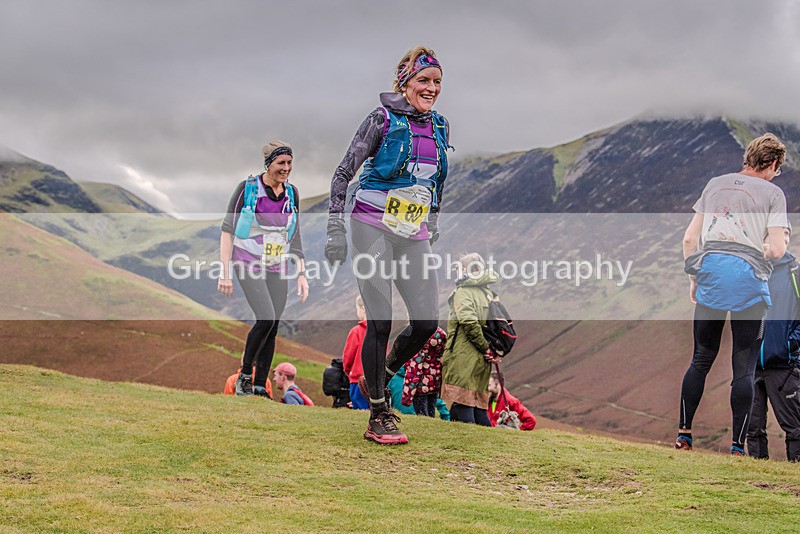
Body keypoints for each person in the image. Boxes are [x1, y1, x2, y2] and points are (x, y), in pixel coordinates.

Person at [324, 46, 451, 445]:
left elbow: (437, 181)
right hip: (371, 227)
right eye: (423, 81)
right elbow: (344, 172)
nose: (430, 89)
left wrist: (432, 220)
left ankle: (389, 367)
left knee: (427, 323)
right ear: (405, 83)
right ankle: (379, 412)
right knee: (380, 321)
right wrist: (334, 229)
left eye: (436, 83)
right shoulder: (381, 119)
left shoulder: (441, 126)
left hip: (411, 233)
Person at [679, 133, 788, 455]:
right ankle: (738, 446)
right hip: (748, 281)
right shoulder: (773, 192)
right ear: (771, 163)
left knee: (701, 358)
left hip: (711, 272)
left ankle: (684, 435)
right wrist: (767, 250)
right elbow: (779, 249)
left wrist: (694, 278)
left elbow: (689, 239)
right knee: (744, 365)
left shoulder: (715, 184)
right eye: (777, 169)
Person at [219, 141, 309, 397]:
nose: (286, 168)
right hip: (247, 262)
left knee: (273, 325)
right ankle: (245, 376)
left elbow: (296, 235)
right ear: (269, 164)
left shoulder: (292, 194)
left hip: (277, 266)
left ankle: (260, 386)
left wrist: (301, 273)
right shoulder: (247, 189)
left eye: (290, 163)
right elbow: (227, 230)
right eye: (281, 163)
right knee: (265, 318)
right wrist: (224, 272)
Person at [747, 228, 800, 462]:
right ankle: (759, 481)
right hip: (749, 365)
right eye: (778, 233)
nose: (784, 238)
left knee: (795, 428)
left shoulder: (794, 274)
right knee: (753, 428)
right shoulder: (751, 270)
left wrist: (790, 344)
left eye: (787, 234)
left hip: (784, 365)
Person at [441, 253, 500, 426]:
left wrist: (484, 347)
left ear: (465, 269)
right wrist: (491, 350)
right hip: (482, 360)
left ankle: (465, 446)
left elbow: (468, 322)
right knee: (478, 405)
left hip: (464, 355)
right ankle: (487, 445)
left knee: (463, 402)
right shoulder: (488, 293)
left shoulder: (463, 292)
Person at [402, 327, 447, 417]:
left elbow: (414, 366)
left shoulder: (421, 336)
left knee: (422, 414)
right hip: (434, 382)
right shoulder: (441, 334)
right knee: (431, 412)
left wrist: (407, 396)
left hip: (420, 385)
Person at [341, 296, 369, 410]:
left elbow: (348, 358)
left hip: (358, 379)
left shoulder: (356, 332)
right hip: (376, 381)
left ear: (363, 309)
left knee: (359, 409)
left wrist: (349, 372)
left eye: (357, 308)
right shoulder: (381, 332)